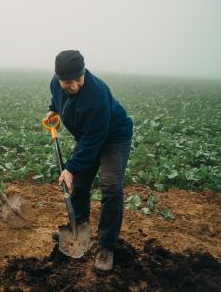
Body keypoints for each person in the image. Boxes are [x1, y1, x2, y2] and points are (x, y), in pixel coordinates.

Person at [45, 50, 133, 274]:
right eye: (67, 81)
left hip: (113, 137)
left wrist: (71, 169)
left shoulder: (97, 95)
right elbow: (57, 98)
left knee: (111, 186)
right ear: (58, 77)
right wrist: (52, 110)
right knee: (80, 186)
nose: (73, 86)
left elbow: (94, 142)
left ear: (84, 72)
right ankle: (80, 229)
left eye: (78, 79)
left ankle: (106, 246)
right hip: (88, 137)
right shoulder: (55, 84)